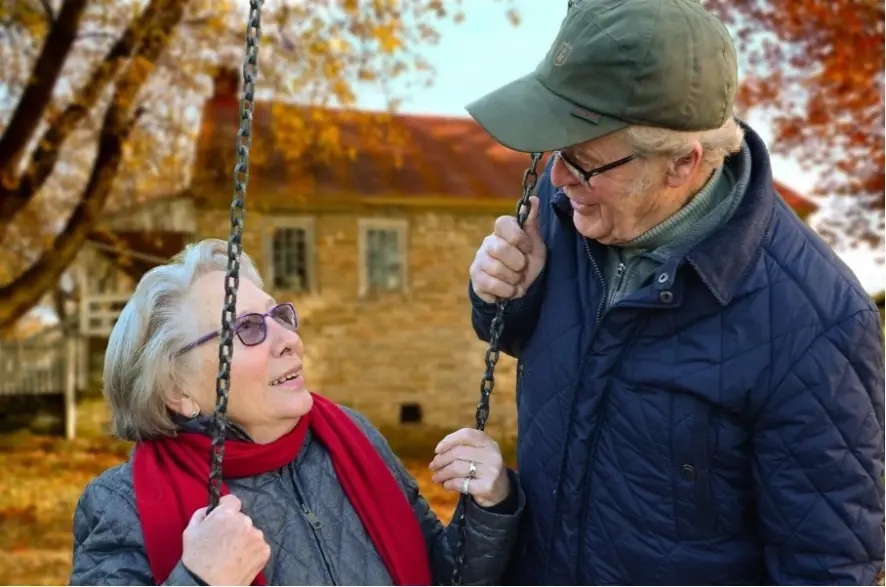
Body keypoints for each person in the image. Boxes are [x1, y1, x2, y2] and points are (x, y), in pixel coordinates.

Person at [464, 0, 885, 585]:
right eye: (556, 152)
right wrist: (504, 294)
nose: (558, 178)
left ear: (682, 164)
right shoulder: (570, 212)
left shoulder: (817, 326)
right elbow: (527, 340)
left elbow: (829, 567)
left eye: (584, 163)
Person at [69, 238, 524, 586]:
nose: (288, 339)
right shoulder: (122, 503)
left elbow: (441, 574)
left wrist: (489, 506)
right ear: (176, 389)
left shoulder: (352, 438)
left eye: (278, 317)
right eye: (246, 329)